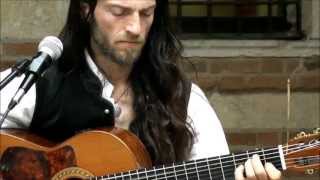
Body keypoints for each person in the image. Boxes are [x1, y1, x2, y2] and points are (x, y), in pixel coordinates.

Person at [0, 0, 282, 179]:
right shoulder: (40, 84)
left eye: (146, 13)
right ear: (86, 9)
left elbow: (215, 164)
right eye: (119, 12)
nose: (135, 27)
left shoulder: (184, 100)